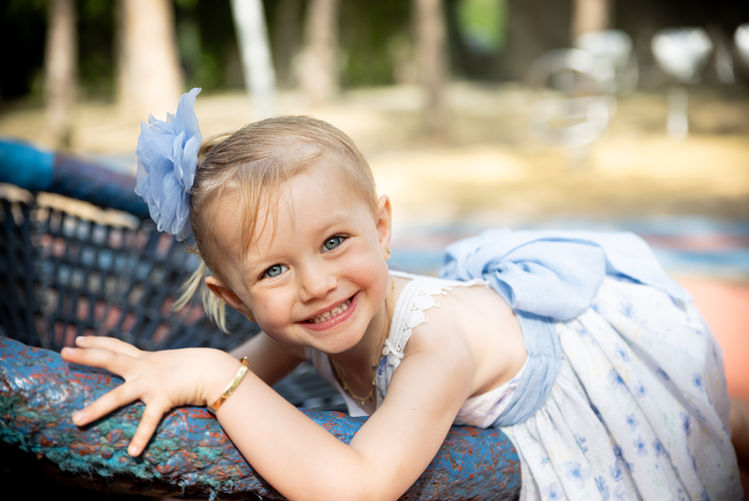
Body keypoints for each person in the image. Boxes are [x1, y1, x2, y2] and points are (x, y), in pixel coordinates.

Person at [61, 88, 744, 500]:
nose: (316, 284)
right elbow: (236, 383)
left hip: (584, 371)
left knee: (702, 425)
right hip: (502, 337)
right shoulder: (310, 322)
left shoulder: (433, 341)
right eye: (273, 270)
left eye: (334, 242)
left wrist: (212, 372)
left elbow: (358, 486)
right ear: (233, 297)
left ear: (382, 226)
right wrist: (172, 371)